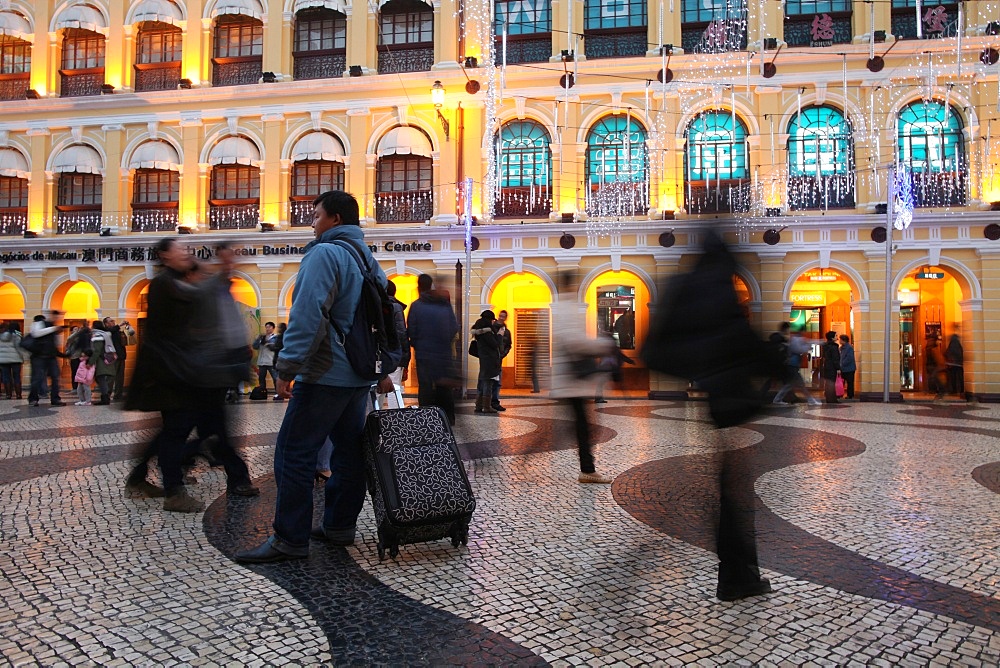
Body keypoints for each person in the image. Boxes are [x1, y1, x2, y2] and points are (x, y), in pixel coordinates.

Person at [235, 190, 388, 563]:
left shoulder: (324, 254)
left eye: (317, 215)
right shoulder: (368, 258)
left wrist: (286, 368)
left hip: (325, 373)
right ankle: (338, 524)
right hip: (358, 374)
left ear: (335, 218)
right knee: (349, 453)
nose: (313, 222)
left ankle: (290, 537)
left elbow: (307, 316)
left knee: (294, 453)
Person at [125, 238, 258, 511]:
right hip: (172, 372)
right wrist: (220, 269)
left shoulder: (176, 281)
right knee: (177, 431)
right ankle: (174, 492)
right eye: (180, 248)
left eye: (188, 249)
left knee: (177, 430)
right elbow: (177, 322)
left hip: (183, 370)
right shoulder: (165, 284)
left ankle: (142, 477)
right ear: (164, 255)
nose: (187, 251)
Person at [550, 272, 617, 484]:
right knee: (582, 426)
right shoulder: (566, 308)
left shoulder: (561, 306)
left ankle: (587, 469)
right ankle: (587, 470)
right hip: (571, 380)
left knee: (579, 425)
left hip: (568, 380)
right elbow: (573, 341)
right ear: (571, 285)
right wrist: (603, 345)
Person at [406, 273, 459, 426]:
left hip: (424, 354)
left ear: (419, 287)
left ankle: (426, 420)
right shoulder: (444, 305)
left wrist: (418, 344)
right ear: (431, 286)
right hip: (443, 353)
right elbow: (453, 327)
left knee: (425, 387)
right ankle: (448, 419)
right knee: (444, 387)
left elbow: (411, 330)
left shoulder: (416, 306)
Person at [772, 326, 821, 406]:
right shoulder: (796, 340)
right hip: (793, 365)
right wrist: (807, 347)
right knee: (800, 384)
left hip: (792, 365)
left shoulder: (796, 339)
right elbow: (799, 349)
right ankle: (811, 400)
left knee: (789, 384)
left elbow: (807, 344)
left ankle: (777, 399)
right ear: (802, 332)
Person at [27, 312, 67, 407]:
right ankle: (33, 399)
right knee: (37, 379)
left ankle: (55, 399)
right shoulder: (38, 323)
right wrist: (54, 329)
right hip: (39, 357)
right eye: (56, 316)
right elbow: (36, 334)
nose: (57, 318)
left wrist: (63, 355)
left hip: (51, 357)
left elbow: (53, 346)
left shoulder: (53, 328)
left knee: (55, 378)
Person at [471, 310, 502, 415]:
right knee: (488, 383)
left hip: (484, 359)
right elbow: (495, 344)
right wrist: (499, 335)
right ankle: (486, 406)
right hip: (490, 360)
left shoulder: (479, 331)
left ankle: (479, 405)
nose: (493, 322)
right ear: (489, 320)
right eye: (492, 320)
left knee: (482, 382)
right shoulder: (487, 332)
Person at [102, 316, 133, 401]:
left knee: (120, 377)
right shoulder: (106, 331)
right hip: (112, 356)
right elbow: (111, 331)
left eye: (113, 321)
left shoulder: (117, 331)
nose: (113, 322)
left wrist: (128, 328)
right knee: (111, 376)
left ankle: (118, 395)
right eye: (111, 321)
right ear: (106, 324)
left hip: (121, 356)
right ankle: (107, 395)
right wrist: (120, 325)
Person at [89, 320, 117, 405]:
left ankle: (105, 398)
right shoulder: (105, 334)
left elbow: (97, 351)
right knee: (102, 379)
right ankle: (106, 396)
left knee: (100, 378)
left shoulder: (98, 335)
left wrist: (90, 362)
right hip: (107, 358)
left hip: (102, 361)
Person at [491, 309, 512, 411]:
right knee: (487, 381)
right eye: (500, 315)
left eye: (503, 316)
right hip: (490, 358)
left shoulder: (507, 332)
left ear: (505, 318)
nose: (501, 318)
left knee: (497, 381)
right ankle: (485, 402)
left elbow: (508, 345)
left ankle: (495, 402)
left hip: (499, 359)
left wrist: (503, 354)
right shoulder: (492, 328)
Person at [0, 322, 27, 400]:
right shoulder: (16, 335)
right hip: (16, 360)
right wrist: (24, 357)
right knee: (17, 377)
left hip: (3, 360)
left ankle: (8, 395)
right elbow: (20, 348)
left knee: (6, 377)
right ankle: (18, 395)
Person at [253, 321, 279, 397]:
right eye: (266, 327)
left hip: (271, 361)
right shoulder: (261, 337)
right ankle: (262, 392)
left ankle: (277, 393)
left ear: (273, 328)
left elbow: (274, 348)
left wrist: (267, 342)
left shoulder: (276, 337)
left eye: (269, 327)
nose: (267, 329)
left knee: (275, 377)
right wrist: (258, 339)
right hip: (261, 361)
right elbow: (255, 347)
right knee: (261, 378)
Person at [926, 335, 947, 402]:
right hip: (933, 366)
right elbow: (937, 358)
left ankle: (938, 391)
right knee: (934, 378)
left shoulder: (931, 348)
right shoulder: (931, 348)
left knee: (934, 378)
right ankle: (940, 391)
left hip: (932, 366)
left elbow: (938, 358)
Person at [821, 331, 841, 404]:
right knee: (832, 383)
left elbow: (824, 356)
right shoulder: (834, 347)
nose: (837, 337)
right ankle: (832, 399)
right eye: (836, 335)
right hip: (832, 367)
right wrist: (838, 368)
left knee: (828, 383)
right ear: (832, 338)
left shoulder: (825, 346)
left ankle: (828, 398)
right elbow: (835, 358)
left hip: (827, 366)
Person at [945, 332, 964, 398]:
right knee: (960, 378)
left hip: (952, 365)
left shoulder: (951, 345)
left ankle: (954, 390)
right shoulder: (959, 346)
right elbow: (961, 354)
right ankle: (961, 390)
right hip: (959, 364)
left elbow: (947, 353)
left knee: (953, 378)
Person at [271, 322, 287, 402]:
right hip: (283, 359)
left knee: (277, 377)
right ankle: (281, 392)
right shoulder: (287, 336)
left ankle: (279, 393)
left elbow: (278, 347)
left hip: (278, 359)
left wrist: (271, 347)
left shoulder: (280, 337)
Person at [839, 334, 856, 400]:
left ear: (844, 340)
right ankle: (840, 393)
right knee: (842, 382)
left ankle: (850, 395)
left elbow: (849, 358)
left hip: (849, 368)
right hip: (844, 368)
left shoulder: (849, 347)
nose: (839, 341)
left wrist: (842, 364)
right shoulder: (842, 348)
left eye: (840, 339)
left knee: (849, 382)